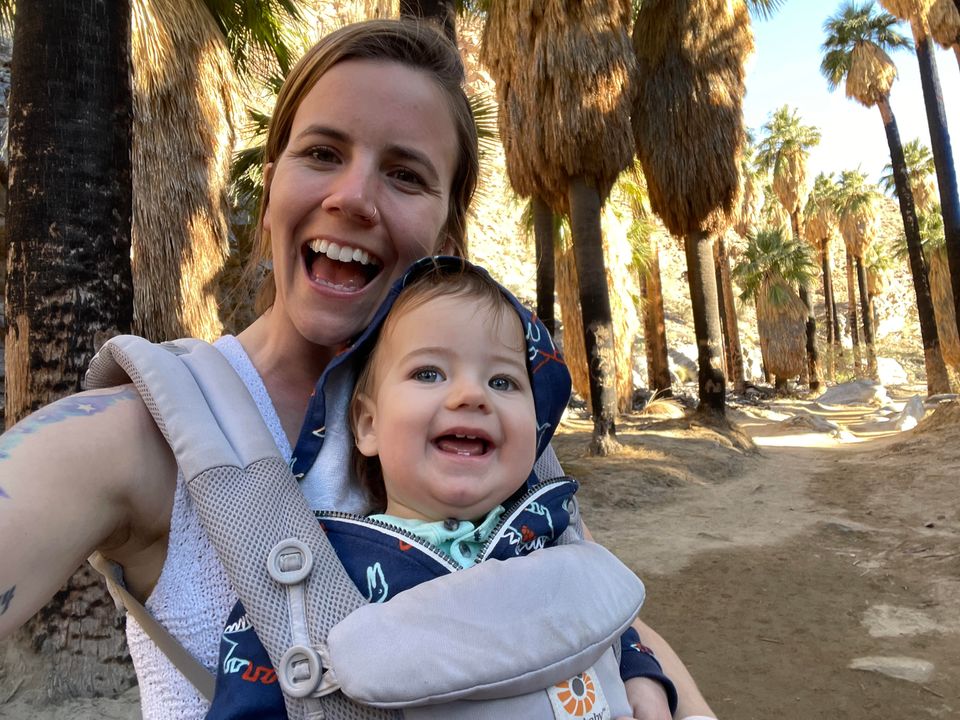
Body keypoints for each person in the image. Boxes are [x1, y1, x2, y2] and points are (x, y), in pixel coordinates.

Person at [0, 18, 715, 720]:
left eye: (405, 174)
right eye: (321, 153)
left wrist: (650, 674)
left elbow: (590, 592)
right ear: (273, 181)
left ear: (446, 232)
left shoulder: (483, 421)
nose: (352, 197)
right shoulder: (145, 437)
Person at [205, 257, 678, 719]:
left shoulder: (552, 528)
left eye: (502, 380)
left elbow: (606, 622)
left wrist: (641, 674)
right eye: (428, 373)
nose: (471, 395)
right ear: (368, 424)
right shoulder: (319, 573)